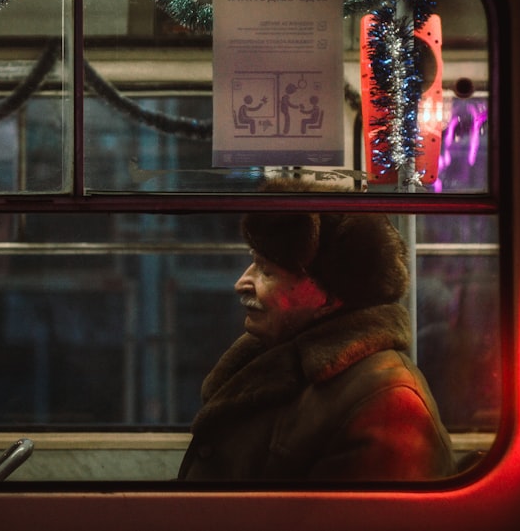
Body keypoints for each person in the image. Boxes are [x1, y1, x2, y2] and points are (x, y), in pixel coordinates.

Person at [178, 180, 456, 482]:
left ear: (330, 293)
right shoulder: (278, 359)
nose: (241, 283)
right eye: (253, 263)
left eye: (267, 271)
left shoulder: (389, 403)